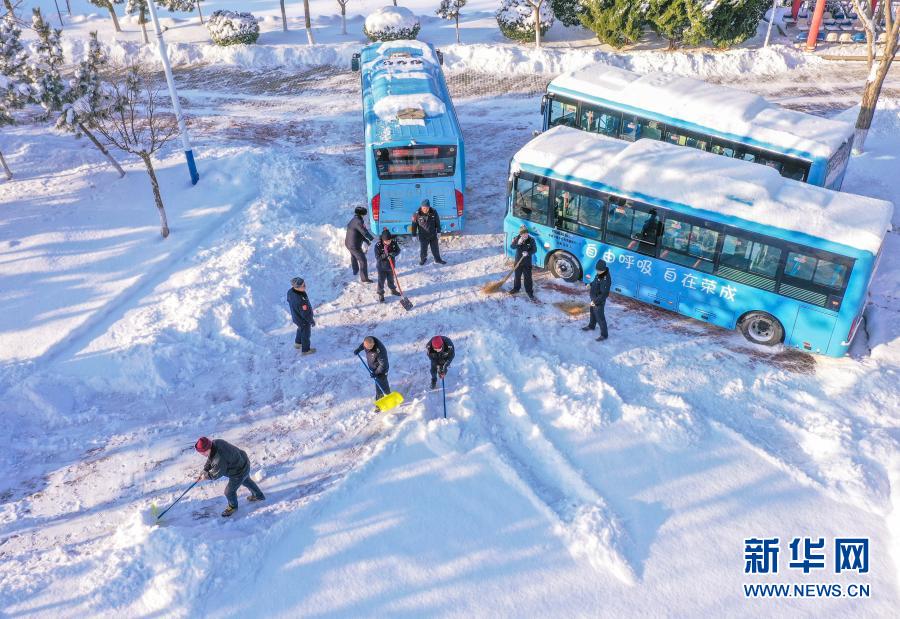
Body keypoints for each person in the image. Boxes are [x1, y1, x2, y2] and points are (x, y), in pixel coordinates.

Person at [195, 436, 265, 518]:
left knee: (229, 492)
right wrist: (205, 470)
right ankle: (258, 495)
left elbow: (216, 474)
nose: (202, 454)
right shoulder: (216, 442)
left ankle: (233, 507)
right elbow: (210, 459)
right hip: (243, 461)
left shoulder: (219, 459)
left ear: (208, 448)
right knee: (246, 480)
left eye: (203, 452)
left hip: (238, 472)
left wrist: (205, 476)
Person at [354, 336, 391, 411]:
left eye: (368, 348)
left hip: (381, 371)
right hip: (375, 369)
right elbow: (364, 344)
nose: (366, 349)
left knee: (380, 386)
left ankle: (382, 403)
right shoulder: (368, 341)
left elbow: (383, 365)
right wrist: (359, 348)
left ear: (373, 345)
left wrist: (376, 373)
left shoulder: (380, 351)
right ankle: (386, 397)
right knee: (381, 384)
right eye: (366, 347)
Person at [582, 259, 611, 341]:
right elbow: (595, 282)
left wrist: (595, 302)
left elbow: (604, 294)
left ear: (603, 270)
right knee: (592, 313)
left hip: (599, 301)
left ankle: (604, 335)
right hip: (594, 298)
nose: (597, 271)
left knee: (600, 318)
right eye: (596, 269)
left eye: (598, 270)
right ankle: (591, 326)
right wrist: (590, 285)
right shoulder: (600, 274)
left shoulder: (605, 279)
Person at [410, 200, 446, 266]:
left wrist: (438, 231)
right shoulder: (416, 214)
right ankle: (423, 259)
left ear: (429, 207)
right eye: (424, 208)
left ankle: (438, 259)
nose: (425, 209)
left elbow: (437, 222)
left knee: (435, 248)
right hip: (423, 236)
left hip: (433, 234)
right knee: (423, 249)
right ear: (421, 207)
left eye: (427, 208)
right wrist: (413, 235)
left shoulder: (433, 212)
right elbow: (414, 225)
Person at [286, 277, 315, 354]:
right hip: (303, 320)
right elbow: (305, 314)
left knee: (300, 329)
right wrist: (311, 321)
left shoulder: (290, 292)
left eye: (304, 284)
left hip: (296, 317)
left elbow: (289, 300)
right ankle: (306, 350)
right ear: (297, 287)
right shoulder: (301, 300)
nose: (305, 286)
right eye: (303, 285)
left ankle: (297, 343)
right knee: (306, 334)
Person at [345, 206, 375, 283]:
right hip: (354, 245)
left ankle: (355, 271)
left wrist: (366, 241)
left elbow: (358, 233)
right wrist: (371, 238)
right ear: (361, 214)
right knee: (363, 261)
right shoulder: (358, 221)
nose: (364, 216)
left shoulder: (353, 220)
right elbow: (364, 232)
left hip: (348, 243)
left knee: (354, 256)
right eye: (364, 215)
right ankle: (364, 279)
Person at [509, 225, 537, 300]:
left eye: (526, 233)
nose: (525, 235)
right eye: (523, 234)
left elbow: (534, 250)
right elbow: (512, 247)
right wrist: (517, 243)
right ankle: (516, 288)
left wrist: (528, 253)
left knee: (528, 278)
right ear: (520, 234)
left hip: (527, 262)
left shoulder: (531, 240)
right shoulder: (517, 238)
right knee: (517, 276)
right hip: (518, 261)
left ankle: (529, 292)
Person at [374, 229, 401, 303]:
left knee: (391, 279)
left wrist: (393, 254)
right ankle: (381, 294)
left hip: (391, 266)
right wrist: (385, 255)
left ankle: (393, 290)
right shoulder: (378, 246)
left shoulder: (393, 243)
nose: (388, 242)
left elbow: (398, 251)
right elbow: (377, 257)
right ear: (383, 240)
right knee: (381, 281)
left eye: (389, 240)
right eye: (386, 241)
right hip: (381, 267)